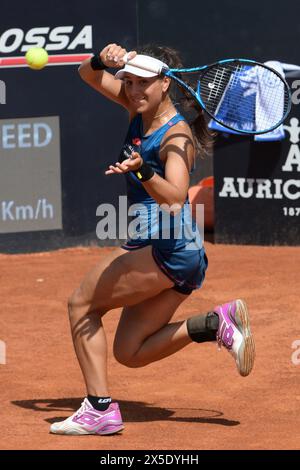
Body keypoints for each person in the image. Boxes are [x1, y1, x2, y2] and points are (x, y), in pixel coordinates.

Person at [50, 43, 255, 436]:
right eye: (128, 82)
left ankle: (98, 410)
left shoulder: (176, 136)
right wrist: (102, 59)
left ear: (165, 83)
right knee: (129, 352)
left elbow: (177, 197)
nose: (132, 90)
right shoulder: (137, 108)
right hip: (180, 254)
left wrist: (144, 171)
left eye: (142, 83)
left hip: (167, 247)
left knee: (81, 305)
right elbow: (87, 75)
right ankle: (214, 324)